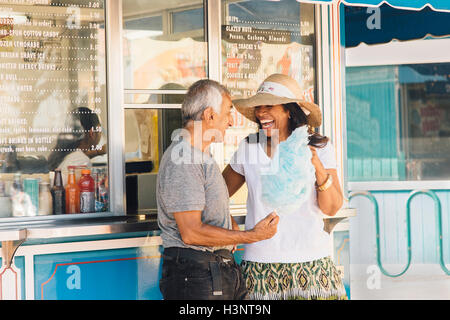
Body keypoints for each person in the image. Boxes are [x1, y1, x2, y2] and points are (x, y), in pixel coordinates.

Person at [222, 73, 348, 300]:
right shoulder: (249, 147)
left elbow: (332, 207)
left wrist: (317, 166)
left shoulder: (319, 147)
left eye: (269, 106)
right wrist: (229, 222)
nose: (261, 113)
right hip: (261, 265)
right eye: (258, 107)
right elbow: (217, 193)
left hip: (312, 263)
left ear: (289, 110)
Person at [156, 79, 280, 300]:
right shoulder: (184, 158)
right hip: (196, 276)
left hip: (214, 271)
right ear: (209, 115)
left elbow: (207, 208)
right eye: (227, 112)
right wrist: (250, 236)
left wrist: (228, 223)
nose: (231, 122)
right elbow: (191, 232)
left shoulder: (200, 156)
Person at [48, 107, 105, 182]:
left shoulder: (66, 153)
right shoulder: (81, 160)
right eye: (99, 131)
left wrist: (97, 152)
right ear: (92, 133)